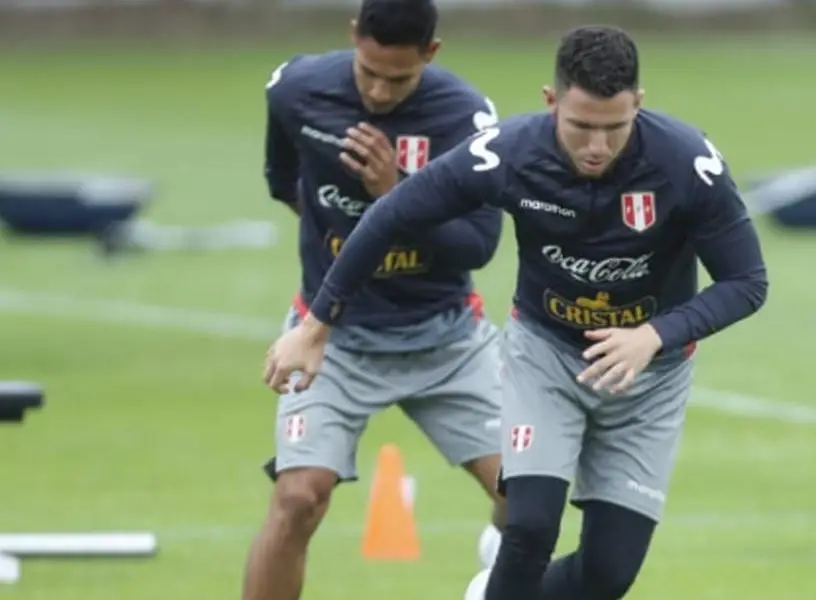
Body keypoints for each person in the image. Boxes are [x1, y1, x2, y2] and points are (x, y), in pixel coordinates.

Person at [262, 24, 769, 600]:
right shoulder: (506, 152)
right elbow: (389, 217)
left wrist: (654, 334)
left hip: (651, 377)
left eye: (615, 127)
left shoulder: (688, 163)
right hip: (545, 355)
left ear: (639, 105)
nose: (597, 146)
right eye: (581, 127)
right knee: (528, 526)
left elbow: (747, 281)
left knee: (608, 573)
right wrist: (316, 324)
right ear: (550, 101)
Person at [243, 2, 508, 600]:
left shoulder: (466, 117)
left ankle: (498, 556)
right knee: (296, 498)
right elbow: (284, 183)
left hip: (446, 342)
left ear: (432, 54)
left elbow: (478, 246)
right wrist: (350, 252)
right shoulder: (295, 90)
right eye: (369, 72)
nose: (380, 92)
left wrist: (397, 196)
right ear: (353, 37)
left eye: (399, 79)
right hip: (333, 339)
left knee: (527, 502)